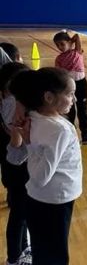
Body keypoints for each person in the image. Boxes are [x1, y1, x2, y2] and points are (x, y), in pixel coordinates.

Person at [7, 68, 83, 265]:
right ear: (49, 97)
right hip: (54, 200)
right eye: (70, 94)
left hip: (42, 199)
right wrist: (29, 144)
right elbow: (40, 177)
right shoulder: (59, 129)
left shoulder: (34, 117)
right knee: (55, 255)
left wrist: (29, 143)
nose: (74, 99)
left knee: (43, 249)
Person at [0, 62, 32, 265]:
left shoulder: (7, 99)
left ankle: (22, 249)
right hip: (19, 166)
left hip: (12, 166)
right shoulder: (14, 103)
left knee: (20, 211)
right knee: (19, 214)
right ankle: (14, 257)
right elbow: (17, 142)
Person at [53, 31, 87, 144]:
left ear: (69, 42)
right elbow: (59, 74)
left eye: (62, 44)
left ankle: (85, 133)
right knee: (69, 110)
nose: (60, 47)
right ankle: (71, 134)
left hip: (81, 84)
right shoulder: (59, 59)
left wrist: (70, 41)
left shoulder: (77, 51)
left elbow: (77, 36)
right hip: (68, 86)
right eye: (57, 45)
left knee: (82, 108)